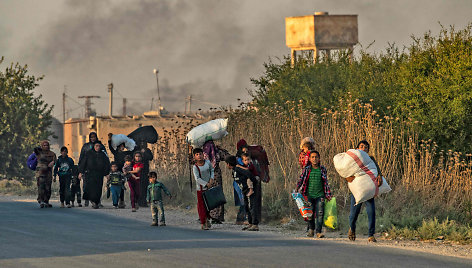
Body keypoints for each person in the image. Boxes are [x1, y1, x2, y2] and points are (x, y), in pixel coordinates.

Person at [346, 140, 383, 243]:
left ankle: (371, 235)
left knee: (371, 212)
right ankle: (352, 229)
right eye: (362, 146)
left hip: (368, 190)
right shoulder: (353, 160)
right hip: (356, 190)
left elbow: (378, 171)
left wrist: (379, 177)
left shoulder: (371, 159)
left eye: (366, 147)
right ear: (357, 149)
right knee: (354, 213)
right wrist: (347, 178)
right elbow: (346, 171)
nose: (364, 148)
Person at [297, 150, 333, 238]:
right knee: (310, 214)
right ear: (309, 159)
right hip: (309, 195)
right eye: (312, 157)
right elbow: (301, 179)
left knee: (320, 213)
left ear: (319, 158)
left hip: (320, 195)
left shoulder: (322, 169)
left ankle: (318, 232)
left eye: (316, 157)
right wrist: (297, 188)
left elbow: (326, 183)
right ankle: (311, 229)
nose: (314, 159)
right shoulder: (307, 169)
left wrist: (328, 195)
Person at [226, 155, 260, 231]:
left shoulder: (238, 169)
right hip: (244, 190)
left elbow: (248, 173)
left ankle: (255, 224)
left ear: (228, 164)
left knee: (252, 206)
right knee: (246, 207)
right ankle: (251, 223)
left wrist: (253, 184)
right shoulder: (235, 170)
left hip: (250, 189)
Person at [78, 143, 110, 209]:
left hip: (99, 174)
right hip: (90, 174)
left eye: (99, 146)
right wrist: (81, 172)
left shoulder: (103, 154)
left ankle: (96, 202)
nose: (97, 147)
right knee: (91, 188)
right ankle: (93, 202)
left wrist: (107, 173)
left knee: (98, 189)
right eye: (96, 146)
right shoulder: (89, 153)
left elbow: (106, 164)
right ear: (94, 146)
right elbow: (84, 162)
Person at [202, 140, 225, 224]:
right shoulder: (217, 151)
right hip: (216, 175)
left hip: (207, 176)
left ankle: (211, 216)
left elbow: (192, 161)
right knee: (217, 195)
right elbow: (227, 157)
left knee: (210, 196)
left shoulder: (203, 153)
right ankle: (216, 217)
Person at [108, 133, 132, 208]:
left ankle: (122, 201)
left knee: (121, 185)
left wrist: (130, 141)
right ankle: (116, 200)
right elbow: (110, 148)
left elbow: (132, 150)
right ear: (118, 147)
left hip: (122, 172)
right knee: (115, 185)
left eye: (123, 146)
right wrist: (109, 140)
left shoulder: (126, 153)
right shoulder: (115, 153)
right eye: (121, 146)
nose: (122, 148)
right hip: (115, 172)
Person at [192, 148, 214, 230]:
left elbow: (212, 170)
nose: (199, 156)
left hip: (209, 187)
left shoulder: (207, 162)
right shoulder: (195, 167)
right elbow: (197, 179)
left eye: (200, 154)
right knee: (201, 206)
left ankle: (207, 219)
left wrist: (211, 180)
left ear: (203, 154)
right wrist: (206, 184)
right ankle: (203, 222)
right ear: (194, 157)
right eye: (197, 155)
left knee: (208, 205)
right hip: (200, 189)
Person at [34, 140, 57, 208]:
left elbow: (56, 160)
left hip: (48, 173)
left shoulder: (52, 154)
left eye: (47, 145)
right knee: (41, 187)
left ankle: (46, 201)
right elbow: (35, 149)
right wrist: (39, 147)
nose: (46, 146)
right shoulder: (39, 153)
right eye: (44, 145)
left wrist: (53, 162)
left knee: (48, 188)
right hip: (40, 173)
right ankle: (41, 201)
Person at [134, 141, 154, 207]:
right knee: (139, 187)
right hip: (138, 170)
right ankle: (139, 201)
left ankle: (144, 201)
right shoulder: (137, 150)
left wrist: (145, 152)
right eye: (141, 143)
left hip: (145, 171)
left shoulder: (147, 150)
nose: (143, 144)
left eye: (144, 143)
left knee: (145, 186)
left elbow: (151, 157)